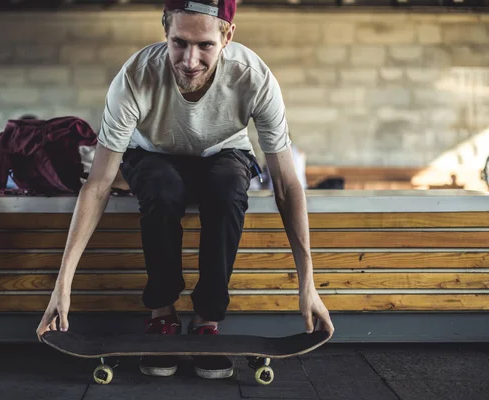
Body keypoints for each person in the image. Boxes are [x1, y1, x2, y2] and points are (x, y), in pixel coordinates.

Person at [36, 0, 334, 380]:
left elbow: (288, 186)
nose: (190, 60)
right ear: (165, 31)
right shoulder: (135, 77)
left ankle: (207, 320)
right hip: (152, 155)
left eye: (205, 45)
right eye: (179, 42)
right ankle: (162, 314)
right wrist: (62, 285)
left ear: (227, 37)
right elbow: (98, 185)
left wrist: (308, 285)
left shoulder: (253, 77)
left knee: (227, 188)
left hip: (225, 152)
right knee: (162, 188)